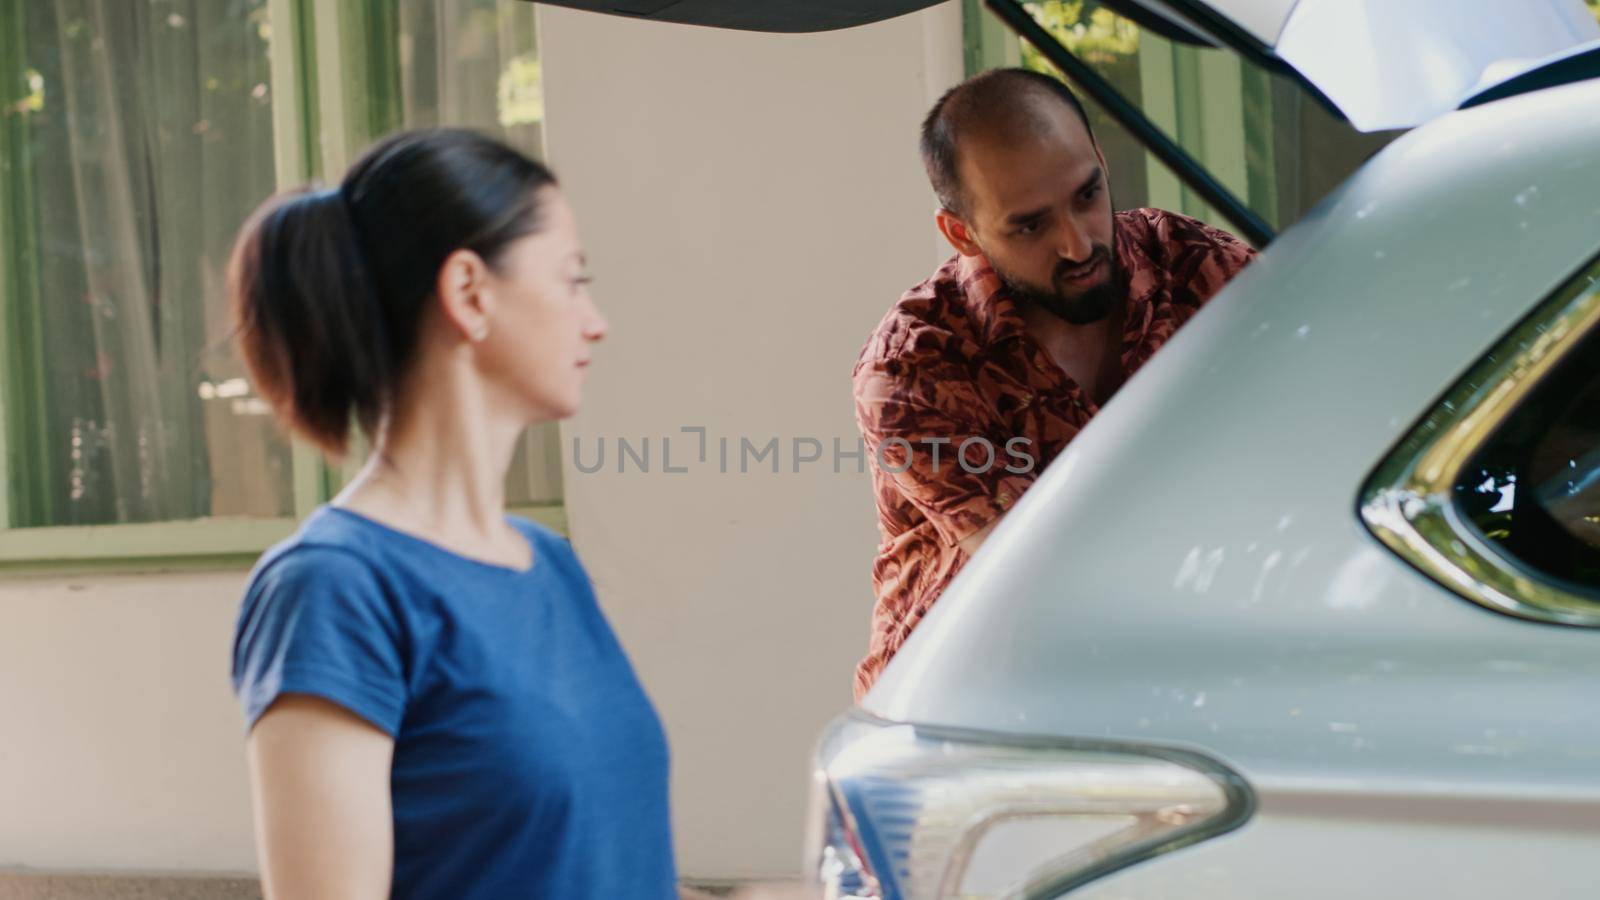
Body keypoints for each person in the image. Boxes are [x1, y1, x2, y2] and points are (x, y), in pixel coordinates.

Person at [227, 129, 675, 898]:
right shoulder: (334, 589)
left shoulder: (549, 565)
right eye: (573, 280)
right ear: (469, 292)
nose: (594, 320)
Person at [851, 68, 1258, 698]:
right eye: (1031, 226)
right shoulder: (913, 370)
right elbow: (1047, 583)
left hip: (1198, 673)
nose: (1078, 244)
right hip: (964, 711)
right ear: (963, 233)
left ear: (1099, 160)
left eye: (1087, 195)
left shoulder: (1200, 272)